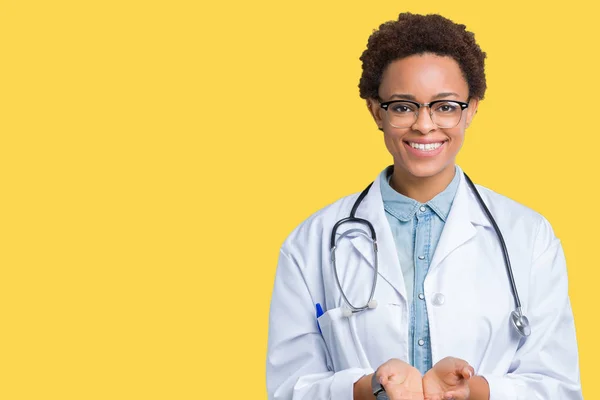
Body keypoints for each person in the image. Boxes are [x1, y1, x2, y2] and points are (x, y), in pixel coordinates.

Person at [266, 12, 582, 400]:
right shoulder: (310, 242)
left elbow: (558, 387)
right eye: (403, 107)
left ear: (472, 109)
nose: (424, 125)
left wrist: (475, 392)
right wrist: (370, 389)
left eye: (445, 106)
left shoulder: (530, 237)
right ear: (375, 110)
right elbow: (288, 388)